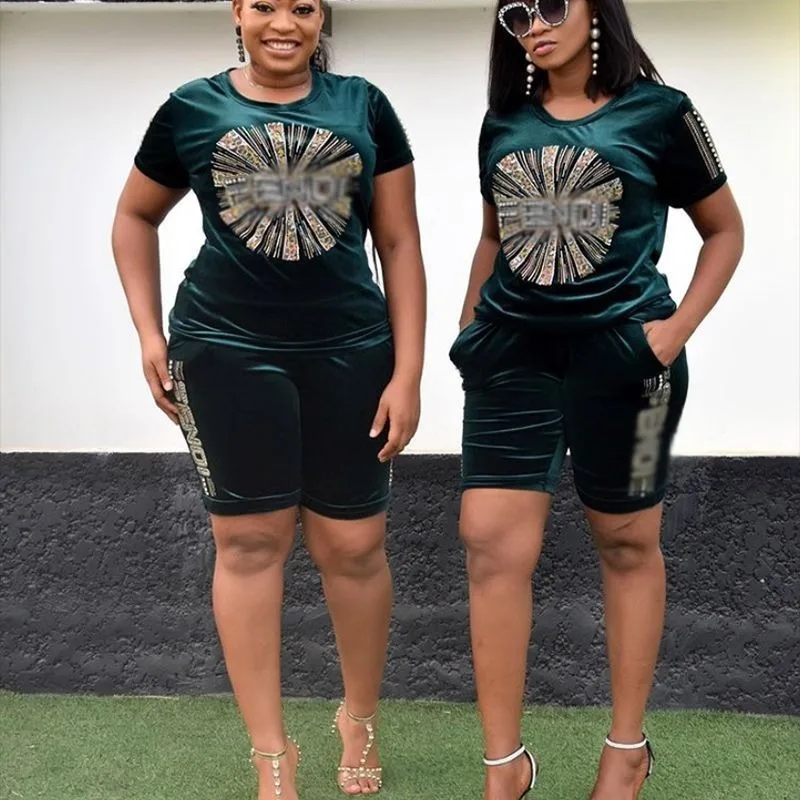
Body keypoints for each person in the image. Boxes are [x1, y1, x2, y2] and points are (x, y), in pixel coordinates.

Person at [111, 1, 426, 797]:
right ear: (237, 12)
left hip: (351, 351)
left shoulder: (365, 106)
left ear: (322, 19)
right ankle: (271, 755)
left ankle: (359, 719)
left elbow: (398, 243)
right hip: (224, 350)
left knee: (354, 547)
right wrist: (148, 333)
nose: (283, 22)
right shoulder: (192, 107)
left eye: (303, 7)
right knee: (249, 544)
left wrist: (409, 372)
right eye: (265, 5)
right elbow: (135, 216)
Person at [451, 1, 744, 798]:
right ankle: (504, 766)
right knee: (489, 542)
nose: (535, 25)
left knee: (626, 541)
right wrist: (470, 329)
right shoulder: (502, 123)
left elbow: (725, 230)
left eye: (552, 5)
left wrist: (670, 335)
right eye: (517, 14)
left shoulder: (662, 113)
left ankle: (626, 750)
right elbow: (494, 235)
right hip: (511, 361)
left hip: (631, 369)